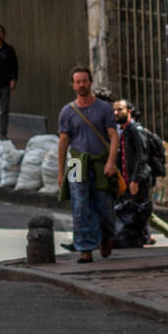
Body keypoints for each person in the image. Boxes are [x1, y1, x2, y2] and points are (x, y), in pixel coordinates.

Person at [55, 66, 119, 264]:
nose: (81, 85)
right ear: (73, 85)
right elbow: (63, 142)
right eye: (78, 82)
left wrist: (111, 161)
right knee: (79, 206)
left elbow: (113, 136)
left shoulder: (104, 108)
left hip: (100, 161)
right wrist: (60, 171)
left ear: (90, 83)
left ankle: (107, 236)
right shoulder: (67, 112)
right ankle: (85, 249)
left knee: (104, 206)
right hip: (76, 162)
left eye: (84, 81)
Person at [111, 99, 152, 249]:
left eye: (120, 109)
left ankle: (141, 239)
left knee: (139, 210)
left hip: (138, 179)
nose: (116, 113)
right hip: (128, 180)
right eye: (114, 110)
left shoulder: (135, 130)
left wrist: (135, 180)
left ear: (129, 111)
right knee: (133, 210)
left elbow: (142, 157)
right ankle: (139, 238)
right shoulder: (124, 130)